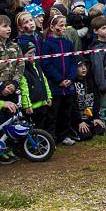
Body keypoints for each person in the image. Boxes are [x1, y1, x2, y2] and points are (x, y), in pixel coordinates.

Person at [40, 13, 78, 146]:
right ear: (52, 27)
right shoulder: (47, 44)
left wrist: (70, 78)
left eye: (64, 25)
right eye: (60, 25)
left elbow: (74, 61)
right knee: (53, 113)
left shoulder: (68, 43)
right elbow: (46, 65)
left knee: (66, 112)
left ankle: (65, 135)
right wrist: (59, 79)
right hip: (55, 86)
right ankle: (51, 137)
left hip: (68, 86)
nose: (63, 27)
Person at [88, 16, 106, 131]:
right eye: (103, 28)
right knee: (104, 104)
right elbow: (98, 68)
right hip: (104, 80)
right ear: (95, 31)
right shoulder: (96, 48)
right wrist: (101, 84)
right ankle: (103, 123)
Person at [17, 37, 51, 131]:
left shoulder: (36, 65)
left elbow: (44, 81)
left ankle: (44, 142)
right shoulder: (22, 70)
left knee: (43, 126)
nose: (32, 56)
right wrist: (27, 105)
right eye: (29, 53)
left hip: (43, 103)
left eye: (34, 53)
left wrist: (48, 96)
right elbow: (24, 89)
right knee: (33, 129)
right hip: (32, 107)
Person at [71, 61, 105, 140]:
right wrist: (79, 121)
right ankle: (72, 132)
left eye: (85, 66)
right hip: (77, 119)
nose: (84, 68)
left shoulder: (90, 80)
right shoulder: (72, 83)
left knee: (100, 130)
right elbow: (71, 105)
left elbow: (96, 99)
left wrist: (96, 117)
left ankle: (90, 126)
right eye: (80, 66)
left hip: (89, 117)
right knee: (86, 136)